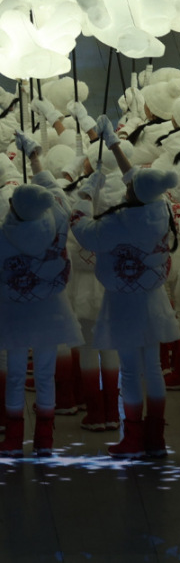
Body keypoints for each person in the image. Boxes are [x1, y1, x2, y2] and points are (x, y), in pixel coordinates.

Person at [72, 131, 180, 460]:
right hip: (154, 299)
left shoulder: (118, 223)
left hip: (123, 303)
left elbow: (83, 232)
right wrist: (114, 145)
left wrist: (85, 194)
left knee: (131, 370)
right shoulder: (160, 209)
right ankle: (156, 437)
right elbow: (138, 180)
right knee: (153, 368)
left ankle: (133, 437)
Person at [0, 175, 83, 458]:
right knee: (45, 375)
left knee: (15, 375)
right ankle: (45, 440)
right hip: (51, 311)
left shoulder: (3, 236)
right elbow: (58, 194)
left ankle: (13, 439)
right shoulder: (57, 223)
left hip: (15, 314)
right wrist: (39, 170)